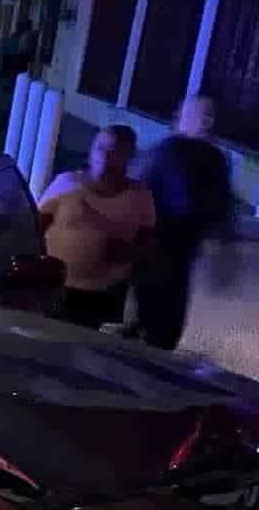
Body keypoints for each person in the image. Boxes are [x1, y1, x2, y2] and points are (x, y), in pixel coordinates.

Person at [126, 95, 237, 350]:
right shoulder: (165, 152)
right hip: (155, 246)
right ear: (180, 118)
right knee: (154, 314)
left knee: (166, 320)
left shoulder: (214, 159)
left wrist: (225, 248)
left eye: (210, 114)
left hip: (181, 251)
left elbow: (221, 204)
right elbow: (137, 189)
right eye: (201, 114)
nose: (208, 120)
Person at [38, 124, 156, 330]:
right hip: (54, 285)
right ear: (91, 150)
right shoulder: (66, 183)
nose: (106, 154)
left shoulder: (140, 196)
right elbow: (34, 226)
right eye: (101, 147)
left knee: (81, 346)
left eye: (115, 150)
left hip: (102, 293)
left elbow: (147, 241)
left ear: (129, 156)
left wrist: (128, 253)